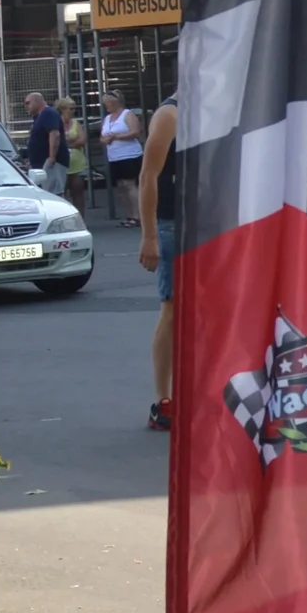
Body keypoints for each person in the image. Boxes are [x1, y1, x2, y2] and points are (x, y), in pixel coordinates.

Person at [137, 93, 179, 432]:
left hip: (213, 222)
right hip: (173, 224)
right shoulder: (170, 114)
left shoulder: (223, 107)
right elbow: (148, 175)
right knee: (173, 308)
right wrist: (149, 236)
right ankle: (163, 400)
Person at [102, 92, 145, 223]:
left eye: (108, 103)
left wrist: (117, 137)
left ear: (116, 102)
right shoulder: (107, 118)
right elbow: (102, 136)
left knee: (130, 184)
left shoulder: (128, 114)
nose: (106, 106)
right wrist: (105, 140)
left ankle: (138, 215)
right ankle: (129, 215)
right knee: (120, 186)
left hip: (129, 154)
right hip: (114, 156)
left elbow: (135, 132)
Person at [22, 89, 64, 196]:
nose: (26, 106)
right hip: (40, 164)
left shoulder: (48, 113)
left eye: (28, 103)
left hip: (50, 164)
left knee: (52, 194)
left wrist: (52, 157)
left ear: (37, 101)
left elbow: (54, 134)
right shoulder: (38, 117)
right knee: (43, 194)